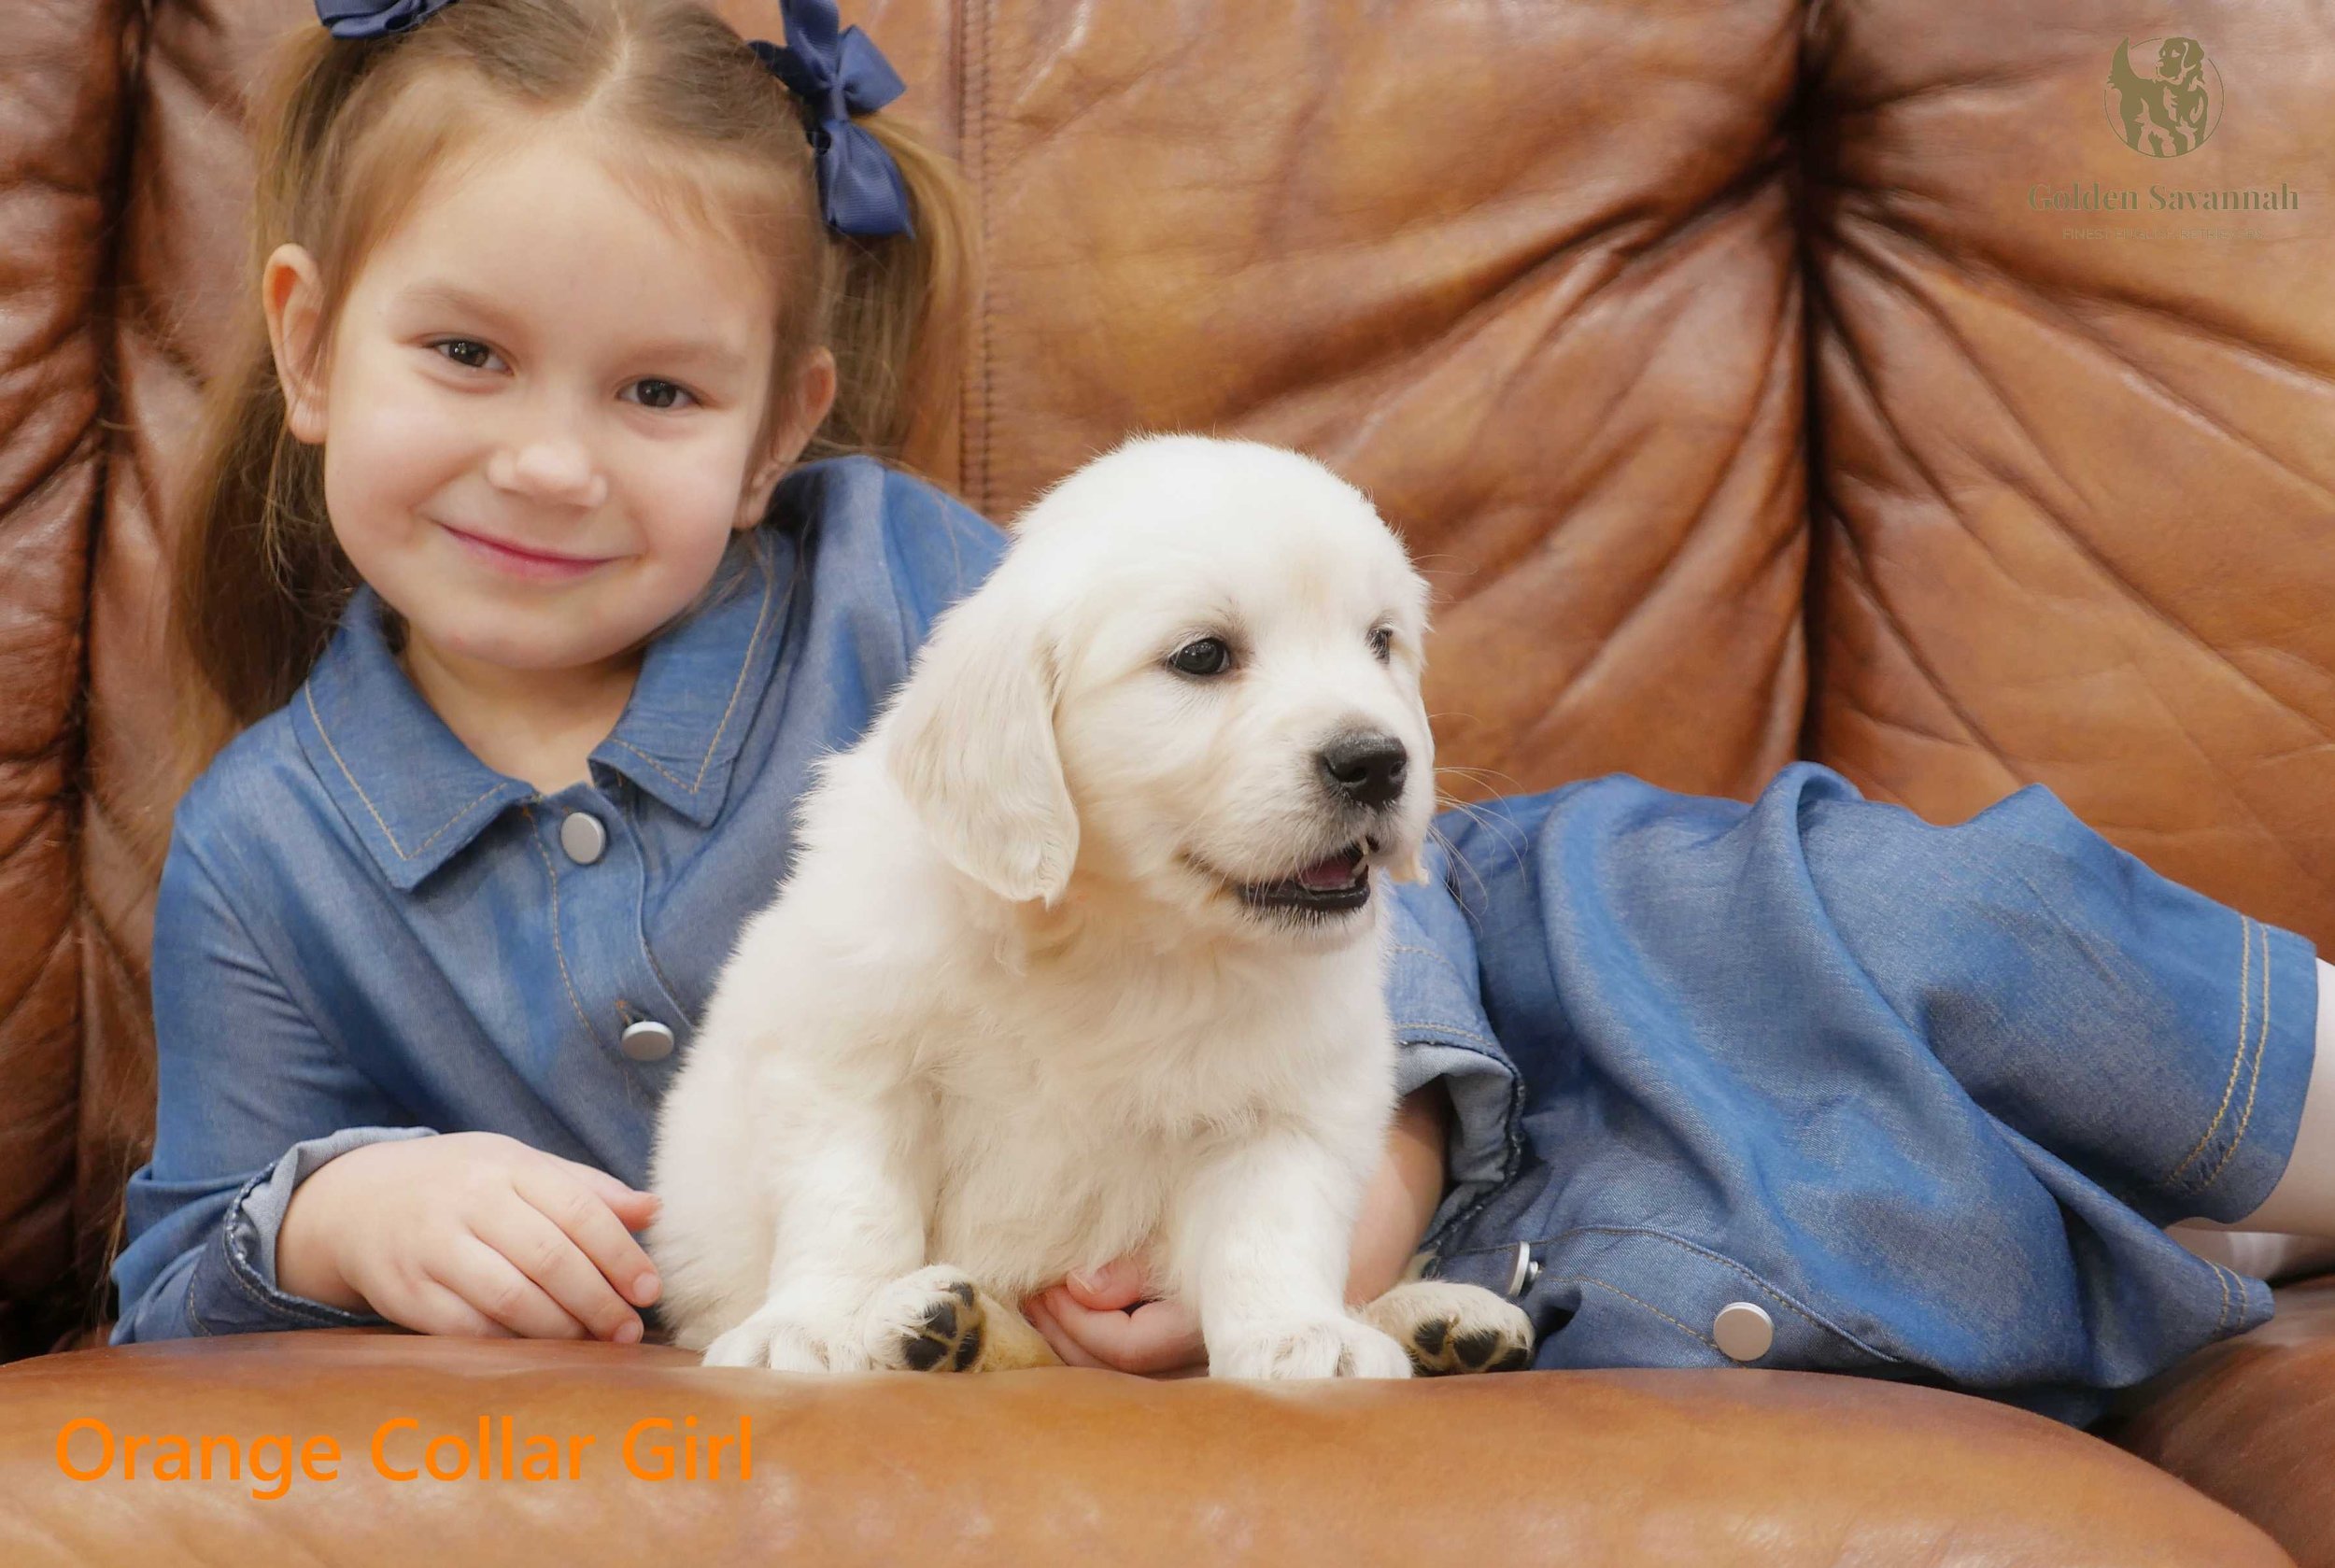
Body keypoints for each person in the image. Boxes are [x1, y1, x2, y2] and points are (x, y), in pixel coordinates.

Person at [108, 0, 2333, 1429]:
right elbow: (172, 1270)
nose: (554, 460)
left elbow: (1366, 879)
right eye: (464, 357)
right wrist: (327, 1214)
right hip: (1309, 1235)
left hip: (1482, 986)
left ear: (779, 425)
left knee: (1887, 920)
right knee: (1785, 1242)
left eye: (658, 391)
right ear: (306, 349)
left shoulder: (906, 584)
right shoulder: (272, 847)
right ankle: (2209, 1241)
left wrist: (1371, 1168)